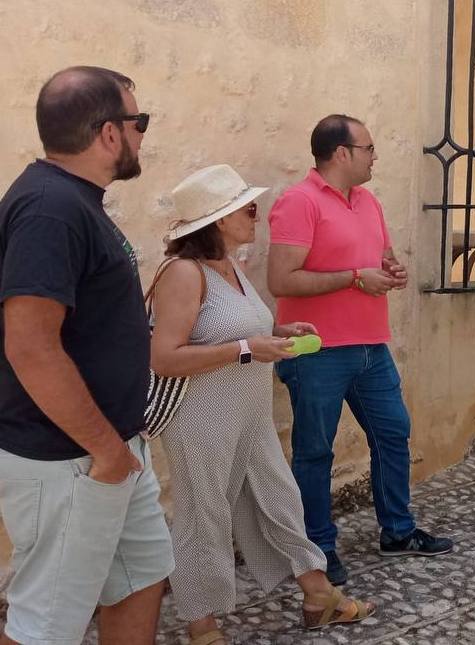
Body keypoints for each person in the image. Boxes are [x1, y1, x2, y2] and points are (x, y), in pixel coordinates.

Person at [150, 164, 375, 645]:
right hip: (201, 419)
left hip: (249, 415)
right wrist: (249, 348)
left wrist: (280, 334)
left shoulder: (231, 266)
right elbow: (165, 358)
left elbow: (237, 331)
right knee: (204, 515)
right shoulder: (185, 274)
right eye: (245, 207)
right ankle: (201, 624)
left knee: (280, 500)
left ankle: (317, 593)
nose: (257, 213)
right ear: (216, 220)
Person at [0, 66, 173, 645]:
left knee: (141, 578)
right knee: (46, 626)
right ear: (107, 133)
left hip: (111, 448)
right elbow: (29, 344)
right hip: (71, 458)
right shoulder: (50, 209)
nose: (142, 134)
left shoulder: (74, 202)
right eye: (138, 121)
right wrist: (106, 451)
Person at [267, 114, 453, 587]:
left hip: (372, 345)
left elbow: (378, 260)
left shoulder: (367, 201)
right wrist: (354, 279)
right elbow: (281, 280)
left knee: (393, 433)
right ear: (341, 153)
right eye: (368, 148)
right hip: (318, 351)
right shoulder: (298, 202)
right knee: (315, 451)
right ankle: (318, 549)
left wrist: (390, 272)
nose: (375, 156)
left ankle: (398, 531)